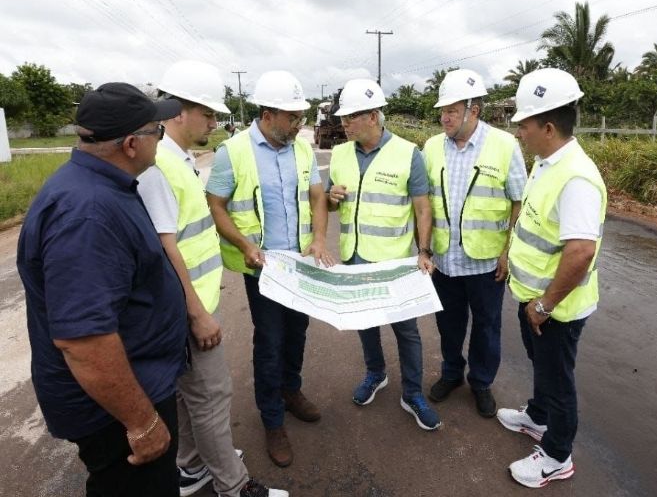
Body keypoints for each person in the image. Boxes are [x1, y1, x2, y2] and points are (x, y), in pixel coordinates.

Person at [16, 83, 186, 497]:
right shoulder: (87, 214)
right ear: (131, 144)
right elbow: (84, 341)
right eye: (158, 131)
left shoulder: (102, 186)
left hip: (134, 384)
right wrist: (142, 422)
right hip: (116, 408)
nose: (161, 139)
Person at [137, 61, 287, 497]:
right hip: (189, 310)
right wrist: (197, 313)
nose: (214, 123)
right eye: (208, 114)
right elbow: (166, 249)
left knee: (188, 396)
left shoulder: (176, 159)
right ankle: (234, 486)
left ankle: (191, 466)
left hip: (189, 303)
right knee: (211, 398)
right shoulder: (160, 167)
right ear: (178, 112)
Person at [207, 71, 333, 468]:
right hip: (262, 269)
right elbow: (216, 205)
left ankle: (290, 391)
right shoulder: (233, 151)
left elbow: (317, 197)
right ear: (267, 115)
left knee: (297, 333)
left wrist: (319, 239)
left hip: (299, 265)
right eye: (292, 117)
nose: (299, 124)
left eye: (300, 117)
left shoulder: (302, 149)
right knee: (270, 341)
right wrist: (245, 245)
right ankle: (272, 419)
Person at [497, 69, 607, 489]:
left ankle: (557, 456)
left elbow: (581, 252)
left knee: (559, 382)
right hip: (533, 299)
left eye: (524, 124)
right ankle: (537, 417)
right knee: (543, 370)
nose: (519, 132)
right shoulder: (547, 163)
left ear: (547, 127)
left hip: (556, 309)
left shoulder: (576, 178)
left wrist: (544, 306)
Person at [326, 78, 441, 431]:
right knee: (365, 323)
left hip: (394, 262)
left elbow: (422, 208)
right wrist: (331, 198)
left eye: (351, 117)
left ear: (374, 116)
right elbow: (330, 204)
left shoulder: (408, 154)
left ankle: (413, 393)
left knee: (407, 330)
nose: (344, 123)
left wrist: (424, 250)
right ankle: (376, 373)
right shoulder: (340, 154)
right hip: (354, 257)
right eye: (343, 117)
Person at [422, 69, 527, 418]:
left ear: (474, 110)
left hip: (485, 261)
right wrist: (424, 248)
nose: (445, 117)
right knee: (448, 324)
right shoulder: (432, 147)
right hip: (444, 260)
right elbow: (424, 203)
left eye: (452, 111)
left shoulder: (504, 145)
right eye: (443, 111)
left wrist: (508, 252)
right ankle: (452, 372)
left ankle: (481, 382)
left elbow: (519, 202)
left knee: (486, 325)